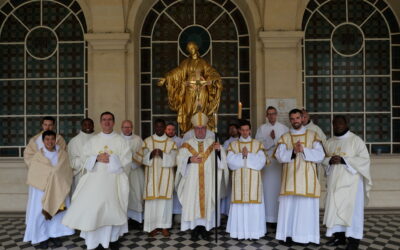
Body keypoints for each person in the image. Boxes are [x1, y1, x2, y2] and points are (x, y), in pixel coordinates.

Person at [62, 112, 131, 250]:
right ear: (100, 122)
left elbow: (127, 161)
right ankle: (94, 241)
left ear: (114, 122)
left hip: (113, 181)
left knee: (112, 209)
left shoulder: (121, 141)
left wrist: (112, 159)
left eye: (110, 120)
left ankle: (112, 239)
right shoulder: (93, 141)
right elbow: (83, 160)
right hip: (95, 181)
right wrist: (97, 158)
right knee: (93, 209)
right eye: (104, 120)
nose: (107, 122)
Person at [274, 109, 325, 245]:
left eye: (297, 118)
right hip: (290, 179)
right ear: (290, 120)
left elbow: (320, 156)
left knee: (306, 209)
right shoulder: (285, 137)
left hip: (308, 179)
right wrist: (293, 151)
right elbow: (279, 156)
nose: (295, 121)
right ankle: (288, 236)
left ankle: (306, 237)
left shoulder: (313, 135)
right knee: (289, 208)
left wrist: (304, 150)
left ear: (302, 118)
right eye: (292, 118)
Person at [322, 116, 372, 250]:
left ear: (346, 124)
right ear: (332, 125)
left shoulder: (356, 141)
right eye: (335, 124)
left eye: (340, 123)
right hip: (334, 184)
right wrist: (330, 161)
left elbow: (365, 160)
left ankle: (354, 240)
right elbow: (324, 160)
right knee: (335, 209)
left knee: (352, 212)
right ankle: (339, 237)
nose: (338, 126)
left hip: (352, 186)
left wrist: (344, 160)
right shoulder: (330, 142)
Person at [176, 112, 228, 241]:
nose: (200, 131)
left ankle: (205, 229)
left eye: (202, 128)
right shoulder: (187, 144)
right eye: (197, 128)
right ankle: (194, 229)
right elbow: (179, 159)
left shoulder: (213, 144)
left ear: (206, 129)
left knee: (207, 204)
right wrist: (189, 159)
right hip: (192, 182)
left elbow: (222, 163)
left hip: (208, 180)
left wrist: (219, 152)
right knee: (193, 203)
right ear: (194, 129)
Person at [23, 130, 74, 248]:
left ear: (55, 140)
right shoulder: (38, 156)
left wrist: (56, 177)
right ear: (43, 141)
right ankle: (42, 237)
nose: (50, 142)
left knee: (57, 212)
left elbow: (66, 171)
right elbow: (34, 174)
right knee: (41, 213)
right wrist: (49, 177)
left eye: (52, 139)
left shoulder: (62, 154)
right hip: (42, 189)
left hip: (58, 188)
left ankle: (55, 235)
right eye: (47, 139)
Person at [158, 41, 222, 133]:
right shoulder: (185, 63)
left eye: (192, 48)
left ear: (196, 48)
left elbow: (211, 72)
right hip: (189, 90)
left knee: (201, 111)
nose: (191, 50)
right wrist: (166, 78)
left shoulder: (203, 63)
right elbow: (178, 72)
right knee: (189, 111)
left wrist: (212, 80)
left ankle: (202, 130)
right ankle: (189, 131)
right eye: (189, 49)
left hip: (202, 90)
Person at [226, 119, 268, 240]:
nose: (245, 132)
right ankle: (239, 232)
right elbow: (230, 162)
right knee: (240, 205)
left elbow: (261, 162)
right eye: (242, 130)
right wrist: (242, 156)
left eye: (247, 130)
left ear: (250, 130)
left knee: (253, 205)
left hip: (254, 182)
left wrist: (247, 156)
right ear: (239, 131)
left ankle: (254, 233)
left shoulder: (257, 144)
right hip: (239, 181)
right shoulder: (233, 145)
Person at [135, 119, 177, 237]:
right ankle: (151, 227)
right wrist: (150, 155)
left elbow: (175, 159)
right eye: (157, 127)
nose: (159, 128)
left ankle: (164, 226)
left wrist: (163, 155)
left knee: (165, 203)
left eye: (161, 127)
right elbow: (139, 158)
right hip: (151, 177)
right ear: (154, 127)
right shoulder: (147, 141)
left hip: (166, 177)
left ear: (164, 128)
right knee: (152, 202)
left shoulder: (170, 142)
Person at [255, 106, 289, 229]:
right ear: (266, 115)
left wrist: (276, 141)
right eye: (269, 114)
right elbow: (258, 145)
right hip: (267, 162)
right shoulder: (262, 128)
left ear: (277, 114)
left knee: (278, 189)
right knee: (267, 189)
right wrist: (270, 139)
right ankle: (268, 217)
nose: (271, 116)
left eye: (273, 114)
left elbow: (287, 144)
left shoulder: (284, 128)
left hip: (279, 164)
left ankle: (279, 217)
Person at [120, 120, 145, 229]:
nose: (127, 129)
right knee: (124, 195)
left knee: (136, 194)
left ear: (132, 128)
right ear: (121, 128)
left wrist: (135, 164)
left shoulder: (138, 139)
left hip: (135, 171)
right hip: (122, 172)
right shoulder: (117, 139)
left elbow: (143, 153)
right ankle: (124, 220)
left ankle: (136, 220)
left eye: (129, 127)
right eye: (125, 127)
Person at [67, 118, 95, 194]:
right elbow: (71, 159)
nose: (88, 126)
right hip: (80, 174)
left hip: (96, 173)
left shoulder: (98, 139)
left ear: (93, 125)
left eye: (90, 124)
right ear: (81, 126)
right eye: (85, 124)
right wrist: (86, 161)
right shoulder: (74, 141)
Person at [220, 122, 240, 216]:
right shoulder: (227, 142)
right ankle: (228, 211)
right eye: (230, 129)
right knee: (229, 191)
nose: (232, 130)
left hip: (239, 169)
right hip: (229, 169)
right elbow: (223, 153)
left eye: (234, 128)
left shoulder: (241, 140)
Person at [165, 122, 184, 217]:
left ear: (175, 131)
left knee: (176, 190)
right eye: (169, 129)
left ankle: (176, 213)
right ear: (165, 130)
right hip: (165, 170)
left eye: (172, 129)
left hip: (177, 169)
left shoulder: (180, 141)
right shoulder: (162, 140)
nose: (171, 131)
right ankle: (168, 214)